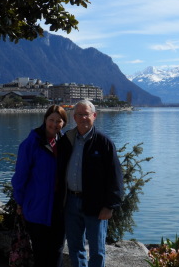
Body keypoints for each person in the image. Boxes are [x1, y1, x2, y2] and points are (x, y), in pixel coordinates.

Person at [57, 99, 123, 267]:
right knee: (75, 247)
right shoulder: (67, 140)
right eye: (79, 114)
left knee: (97, 250)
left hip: (96, 204)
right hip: (70, 202)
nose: (83, 118)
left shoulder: (104, 142)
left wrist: (110, 206)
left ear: (94, 116)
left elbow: (115, 176)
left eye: (86, 114)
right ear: (74, 117)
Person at [11, 105, 68, 267]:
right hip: (37, 206)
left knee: (57, 252)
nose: (54, 124)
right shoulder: (31, 144)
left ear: (64, 123)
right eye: (51, 120)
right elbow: (20, 177)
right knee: (41, 252)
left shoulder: (64, 144)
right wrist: (20, 202)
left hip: (59, 207)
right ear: (45, 119)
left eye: (59, 121)